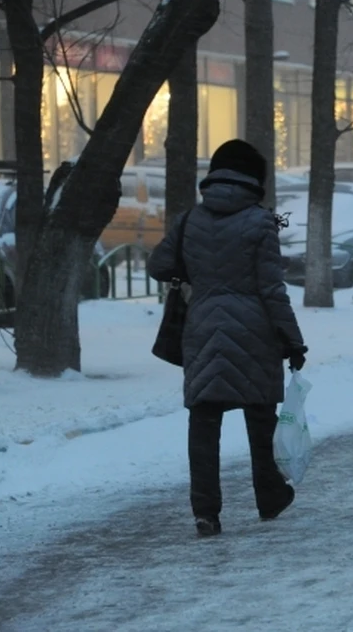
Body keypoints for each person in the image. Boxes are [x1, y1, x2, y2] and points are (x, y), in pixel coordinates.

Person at [147, 139, 308, 537]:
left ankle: (206, 513)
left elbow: (158, 264)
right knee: (260, 417)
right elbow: (272, 289)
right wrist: (293, 339)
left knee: (204, 423)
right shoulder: (260, 222)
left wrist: (201, 269)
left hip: (202, 326)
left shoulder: (190, 220)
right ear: (256, 179)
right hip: (254, 331)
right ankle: (269, 496)